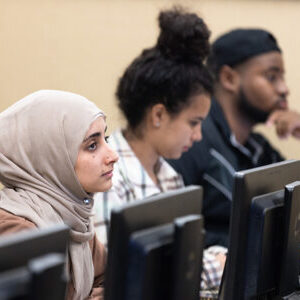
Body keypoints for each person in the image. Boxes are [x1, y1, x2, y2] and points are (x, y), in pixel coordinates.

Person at [94, 7, 227, 294]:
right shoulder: (108, 179)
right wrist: (216, 265)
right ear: (158, 115)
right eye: (193, 123)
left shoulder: (169, 176)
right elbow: (118, 281)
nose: (199, 135)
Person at [168, 28, 300, 248]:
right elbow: (174, 235)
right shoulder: (193, 141)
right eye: (271, 77)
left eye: (282, 78)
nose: (284, 89)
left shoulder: (258, 147)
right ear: (229, 78)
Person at [0, 90, 118, 300]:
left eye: (105, 138)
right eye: (92, 145)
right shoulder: (18, 230)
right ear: (51, 159)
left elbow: (108, 280)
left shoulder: (74, 217)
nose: (113, 155)